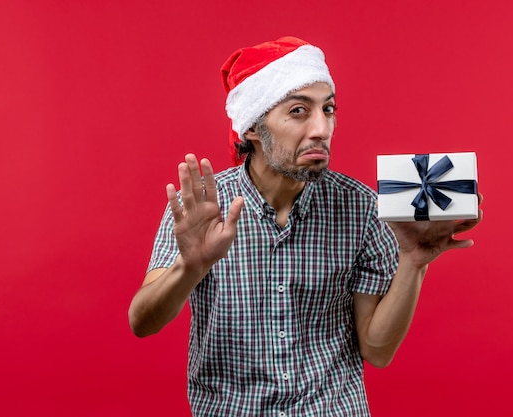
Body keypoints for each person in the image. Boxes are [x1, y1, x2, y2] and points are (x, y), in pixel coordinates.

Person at [128, 36, 482, 416]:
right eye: (299, 111)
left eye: (328, 109)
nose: (321, 129)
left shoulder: (362, 207)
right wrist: (190, 268)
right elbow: (142, 322)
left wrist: (413, 262)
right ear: (252, 129)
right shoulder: (202, 208)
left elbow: (376, 351)